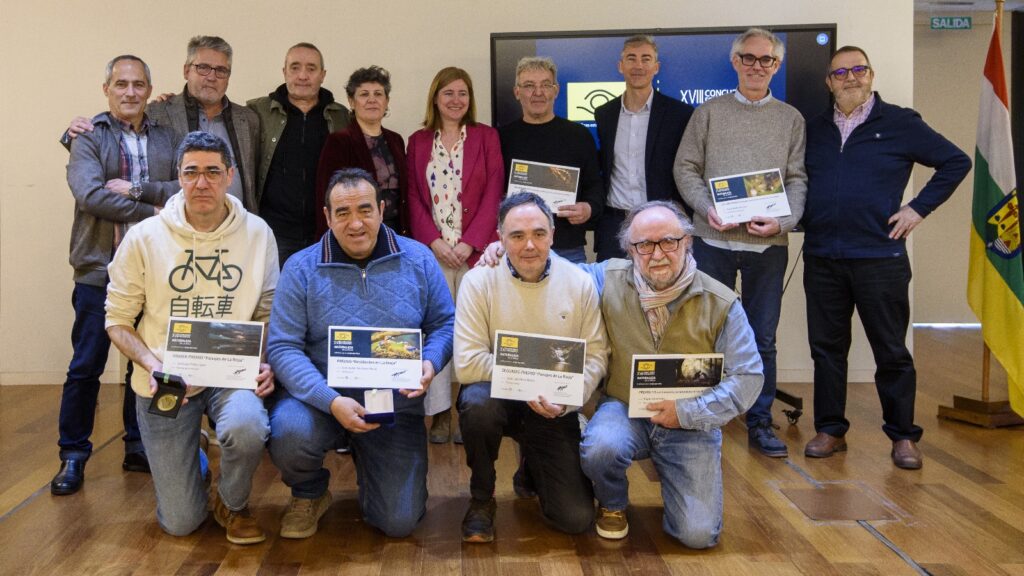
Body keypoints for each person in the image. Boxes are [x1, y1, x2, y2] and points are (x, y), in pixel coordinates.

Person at [105, 131, 279, 544]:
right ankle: (194, 460)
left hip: (230, 373)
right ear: (178, 176)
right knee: (181, 523)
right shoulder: (144, 237)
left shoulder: (258, 233)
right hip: (167, 380)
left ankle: (232, 504)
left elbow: (267, 311)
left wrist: (262, 359)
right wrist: (154, 365)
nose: (202, 183)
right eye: (191, 172)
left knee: (248, 426)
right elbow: (117, 321)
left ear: (230, 175)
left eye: (213, 172)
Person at [801, 46, 971, 469]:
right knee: (826, 350)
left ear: (871, 75)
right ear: (829, 82)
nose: (851, 78)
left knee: (892, 351)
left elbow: (956, 161)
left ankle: (903, 436)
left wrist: (918, 208)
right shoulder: (813, 128)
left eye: (858, 69)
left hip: (880, 258)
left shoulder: (900, 122)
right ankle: (830, 430)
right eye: (841, 72)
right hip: (822, 257)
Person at [266, 168, 454, 539]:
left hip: (393, 404)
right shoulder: (300, 268)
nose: (355, 224)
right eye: (343, 213)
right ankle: (309, 491)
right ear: (327, 217)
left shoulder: (419, 259)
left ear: (382, 210)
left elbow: (444, 324)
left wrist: (430, 363)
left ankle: (374, 469)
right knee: (289, 434)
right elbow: (283, 346)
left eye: (365, 210)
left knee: (398, 522)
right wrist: (331, 400)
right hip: (319, 401)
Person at [577, 201, 762, 547]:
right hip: (624, 409)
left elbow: (748, 377)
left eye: (668, 241)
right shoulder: (605, 278)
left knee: (698, 535)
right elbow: (554, 272)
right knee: (601, 447)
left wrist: (687, 412)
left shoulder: (721, 302)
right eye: (644, 245)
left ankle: (682, 484)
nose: (658, 254)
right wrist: (501, 254)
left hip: (691, 421)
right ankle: (612, 502)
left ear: (687, 241)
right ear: (630, 250)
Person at [673, 28, 807, 458]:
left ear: (776, 65)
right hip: (712, 240)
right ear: (735, 62)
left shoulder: (791, 119)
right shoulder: (708, 113)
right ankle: (701, 416)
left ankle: (759, 421)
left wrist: (783, 221)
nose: (756, 66)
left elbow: (797, 179)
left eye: (766, 60)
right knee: (703, 333)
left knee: (762, 338)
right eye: (748, 57)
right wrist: (704, 208)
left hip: (768, 247)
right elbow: (685, 168)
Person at [53, 54, 181, 496]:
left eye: (138, 84)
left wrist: (144, 193)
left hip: (154, 270)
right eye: (121, 84)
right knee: (86, 365)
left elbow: (182, 187)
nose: (130, 92)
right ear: (106, 89)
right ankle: (73, 454)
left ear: (150, 90)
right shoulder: (87, 135)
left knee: (144, 363)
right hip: (99, 268)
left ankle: (138, 445)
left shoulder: (167, 136)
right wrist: (153, 210)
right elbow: (90, 195)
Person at [455, 193, 608, 542]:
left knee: (575, 518)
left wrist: (568, 401)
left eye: (539, 234)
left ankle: (530, 469)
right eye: (517, 235)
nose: (529, 245)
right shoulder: (478, 281)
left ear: (553, 234)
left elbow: (596, 355)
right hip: (495, 396)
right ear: (500, 237)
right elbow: (467, 363)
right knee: (477, 405)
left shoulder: (579, 282)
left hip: (553, 403)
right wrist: (528, 377)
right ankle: (482, 498)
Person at [406, 67, 504, 443]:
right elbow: (413, 196)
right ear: (435, 97)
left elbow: (495, 190)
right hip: (434, 255)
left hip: (475, 255)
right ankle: (439, 413)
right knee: (435, 332)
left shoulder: (486, 137)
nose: (455, 100)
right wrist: (434, 242)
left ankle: (467, 409)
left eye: (462, 93)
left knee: (474, 333)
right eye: (448, 93)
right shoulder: (418, 141)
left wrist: (470, 242)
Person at [64, 36, 260, 212]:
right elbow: (115, 130)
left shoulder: (248, 119)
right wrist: (73, 133)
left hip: (239, 224)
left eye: (221, 70)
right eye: (203, 67)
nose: (211, 76)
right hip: (181, 227)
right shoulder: (158, 111)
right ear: (186, 70)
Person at [247, 42, 350, 265]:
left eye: (311, 68)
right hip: (274, 232)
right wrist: (171, 103)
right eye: (295, 67)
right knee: (278, 288)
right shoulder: (258, 111)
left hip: (326, 231)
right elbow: (219, 110)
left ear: (323, 75)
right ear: (284, 72)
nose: (303, 75)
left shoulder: (341, 116)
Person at [593, 35, 694, 261]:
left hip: (660, 223)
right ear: (620, 66)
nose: (638, 65)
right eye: (631, 58)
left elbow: (687, 168)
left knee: (661, 283)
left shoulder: (679, 114)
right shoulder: (604, 114)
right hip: (614, 224)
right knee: (612, 284)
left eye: (646, 59)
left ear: (656, 67)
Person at [499, 57, 603, 264]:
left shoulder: (579, 136)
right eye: (529, 86)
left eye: (546, 85)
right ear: (517, 92)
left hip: (568, 249)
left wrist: (588, 208)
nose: (538, 92)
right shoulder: (501, 138)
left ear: (556, 91)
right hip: (517, 249)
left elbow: (595, 186)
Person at [316, 66, 407, 236]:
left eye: (378, 94)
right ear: (351, 101)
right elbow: (326, 195)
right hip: (357, 231)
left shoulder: (396, 140)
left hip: (396, 231)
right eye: (364, 94)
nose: (372, 100)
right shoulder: (339, 141)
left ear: (386, 101)